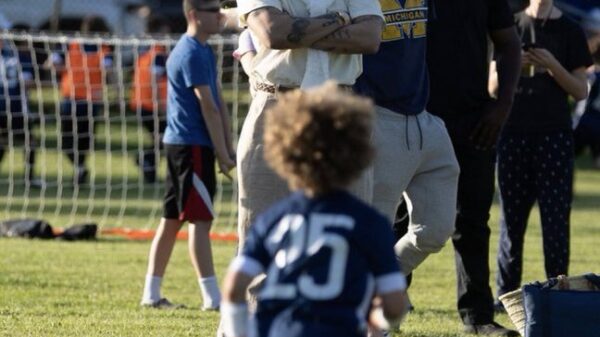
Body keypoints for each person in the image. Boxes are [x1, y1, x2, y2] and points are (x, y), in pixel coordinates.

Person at [221, 82, 409, 337]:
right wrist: (377, 321)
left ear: (287, 154)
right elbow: (395, 305)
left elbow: (234, 286)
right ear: (359, 152)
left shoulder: (273, 220)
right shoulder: (369, 223)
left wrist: (240, 331)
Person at [236, 0, 384, 253]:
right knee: (262, 235)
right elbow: (275, 34)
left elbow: (369, 38)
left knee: (350, 230)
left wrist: (298, 33)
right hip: (276, 105)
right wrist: (338, 19)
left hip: (338, 108)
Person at [353, 0, 460, 302]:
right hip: (379, 117)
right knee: (373, 233)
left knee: (436, 231)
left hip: (424, 119)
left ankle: (376, 287)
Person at [426, 0, 522, 335]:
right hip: (410, 116)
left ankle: (477, 317)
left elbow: (509, 44)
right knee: (398, 219)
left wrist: (503, 104)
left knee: (472, 221)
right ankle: (381, 313)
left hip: (473, 120)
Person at [494, 0, 593, 309]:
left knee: (555, 223)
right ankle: (506, 296)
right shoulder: (508, 25)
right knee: (511, 223)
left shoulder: (570, 30)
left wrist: (552, 65)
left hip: (554, 137)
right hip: (513, 134)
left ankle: (558, 294)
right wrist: (514, 62)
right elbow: (492, 86)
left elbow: (580, 91)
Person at [140, 0, 235, 310]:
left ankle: (151, 294)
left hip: (186, 144)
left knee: (171, 220)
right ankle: (212, 299)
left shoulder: (204, 50)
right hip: (191, 145)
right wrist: (221, 152)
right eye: (213, 10)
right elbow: (207, 106)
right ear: (194, 15)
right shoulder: (191, 51)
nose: (220, 15)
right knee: (200, 221)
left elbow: (219, 102)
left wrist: (227, 142)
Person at [48, 16, 112, 185]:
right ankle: (80, 167)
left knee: (69, 139)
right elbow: (109, 70)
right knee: (83, 139)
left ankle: (79, 167)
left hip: (74, 98)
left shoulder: (70, 44)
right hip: (88, 100)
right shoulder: (102, 48)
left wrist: (67, 69)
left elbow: (52, 63)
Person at [129, 15, 171, 183]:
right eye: (165, 33)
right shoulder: (158, 53)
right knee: (164, 137)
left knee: (160, 138)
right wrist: (159, 103)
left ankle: (148, 166)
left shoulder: (145, 52)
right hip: (150, 104)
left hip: (140, 102)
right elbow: (154, 79)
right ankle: (146, 161)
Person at [0, 23, 42, 187]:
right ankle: (29, 179)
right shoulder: (22, 57)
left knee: (3, 140)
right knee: (30, 142)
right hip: (15, 108)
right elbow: (27, 82)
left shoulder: (4, 55)